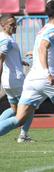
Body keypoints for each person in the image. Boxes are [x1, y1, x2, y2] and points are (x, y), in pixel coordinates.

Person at [0, 0, 54, 155]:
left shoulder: (43, 30)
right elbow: (42, 48)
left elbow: (48, 54)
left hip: (31, 80)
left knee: (19, 118)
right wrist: (48, 73)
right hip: (45, 78)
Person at [0, 14, 34, 143]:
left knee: (14, 110)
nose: (14, 27)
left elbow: (8, 58)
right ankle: (23, 135)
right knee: (30, 107)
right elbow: (1, 59)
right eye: (11, 25)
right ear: (2, 25)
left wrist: (20, 62)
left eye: (15, 24)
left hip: (9, 82)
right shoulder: (6, 40)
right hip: (16, 80)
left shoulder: (5, 38)